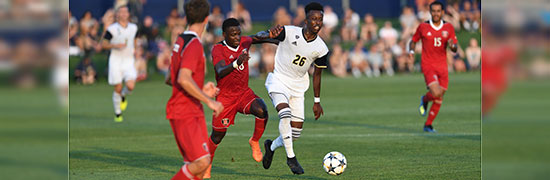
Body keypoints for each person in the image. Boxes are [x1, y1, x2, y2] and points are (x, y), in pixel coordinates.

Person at [203, 18, 278, 179]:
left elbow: (258, 37)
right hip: (225, 98)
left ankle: (254, 141)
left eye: (238, 34)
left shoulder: (244, 42)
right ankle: (206, 165)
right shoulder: (218, 49)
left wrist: (280, 37)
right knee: (217, 135)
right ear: (224, 35)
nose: (237, 37)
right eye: (233, 35)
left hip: (243, 93)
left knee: (262, 110)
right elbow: (220, 70)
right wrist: (237, 63)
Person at [261, 2, 329, 175]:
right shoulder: (289, 31)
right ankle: (291, 158)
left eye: (320, 19)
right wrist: (249, 39)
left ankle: (271, 146)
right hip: (278, 81)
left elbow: (318, 75)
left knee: (295, 133)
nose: (317, 22)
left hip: (298, 88)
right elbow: (267, 35)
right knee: (284, 114)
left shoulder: (321, 48)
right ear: (305, 20)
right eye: (313, 19)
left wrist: (317, 101)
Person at [165, 0, 223, 179]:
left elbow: (170, 78)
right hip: (186, 111)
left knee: (197, 168)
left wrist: (200, 89)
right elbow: (183, 78)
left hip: (187, 109)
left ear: (186, 17)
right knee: (202, 163)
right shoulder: (195, 44)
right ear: (207, 19)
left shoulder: (181, 39)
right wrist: (209, 101)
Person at [408, 1, 458, 133]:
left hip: (442, 66)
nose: (436, 13)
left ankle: (428, 125)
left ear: (442, 12)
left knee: (439, 96)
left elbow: (454, 47)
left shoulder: (449, 28)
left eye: (438, 11)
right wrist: (411, 52)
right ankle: (424, 99)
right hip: (428, 65)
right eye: (433, 11)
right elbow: (413, 41)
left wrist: (453, 46)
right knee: (435, 93)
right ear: (430, 12)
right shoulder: (423, 27)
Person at [101, 6, 139, 122]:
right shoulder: (112, 29)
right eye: (121, 12)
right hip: (116, 61)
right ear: (117, 15)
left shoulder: (133, 27)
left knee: (131, 86)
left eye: (125, 12)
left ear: (128, 14)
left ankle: (124, 94)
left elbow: (135, 39)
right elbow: (104, 44)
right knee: (117, 87)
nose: (123, 14)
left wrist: (136, 49)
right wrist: (116, 46)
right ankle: (118, 113)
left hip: (128, 60)